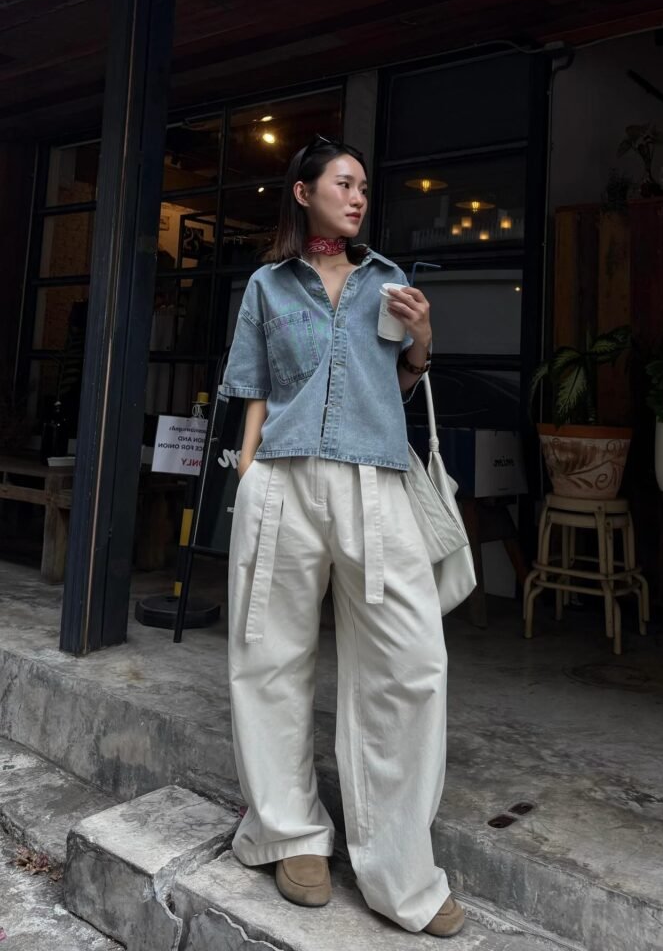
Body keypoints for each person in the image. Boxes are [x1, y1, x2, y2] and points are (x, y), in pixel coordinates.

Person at [220, 135, 465, 938]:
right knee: (270, 657)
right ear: (303, 193)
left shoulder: (389, 282)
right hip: (282, 479)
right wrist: (248, 474)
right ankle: (289, 832)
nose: (357, 197)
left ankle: (400, 871)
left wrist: (422, 338)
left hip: (374, 481)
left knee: (410, 664)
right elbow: (251, 389)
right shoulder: (266, 284)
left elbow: (400, 380)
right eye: (343, 183)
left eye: (363, 187)